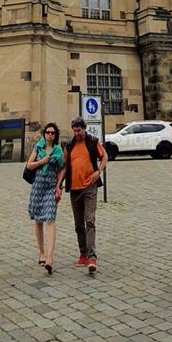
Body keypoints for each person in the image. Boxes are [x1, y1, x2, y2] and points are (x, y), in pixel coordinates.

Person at [57, 116, 108, 275]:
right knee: (79, 224)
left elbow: (104, 156)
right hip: (74, 189)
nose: (76, 133)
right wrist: (58, 185)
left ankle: (92, 257)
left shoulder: (92, 141)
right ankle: (83, 252)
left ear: (84, 128)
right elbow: (65, 166)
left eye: (78, 130)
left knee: (89, 221)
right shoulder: (70, 145)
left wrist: (99, 171)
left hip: (90, 187)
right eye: (74, 130)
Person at [26, 123, 64, 274]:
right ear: (44, 134)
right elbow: (29, 165)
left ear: (55, 135)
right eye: (48, 132)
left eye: (52, 133)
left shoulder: (58, 150)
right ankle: (41, 252)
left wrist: (59, 187)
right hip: (37, 187)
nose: (50, 135)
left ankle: (49, 257)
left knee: (50, 219)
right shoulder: (38, 147)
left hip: (50, 187)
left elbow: (62, 169)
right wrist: (41, 162)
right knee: (38, 220)